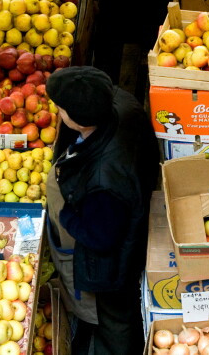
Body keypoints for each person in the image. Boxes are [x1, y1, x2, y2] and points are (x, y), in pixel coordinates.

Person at [44, 66, 160, 354]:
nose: (58, 112)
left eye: (61, 109)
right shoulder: (121, 103)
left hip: (115, 260)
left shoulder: (104, 179)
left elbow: (101, 238)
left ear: (77, 118)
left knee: (116, 316)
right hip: (131, 210)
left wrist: (66, 215)